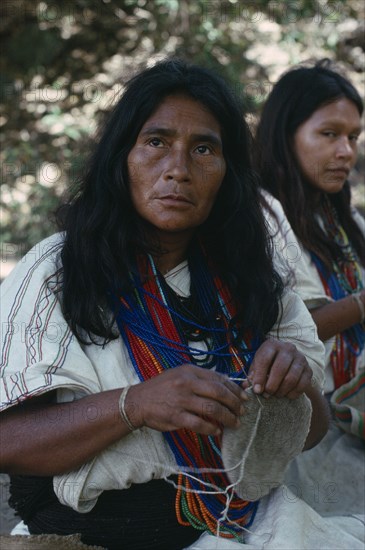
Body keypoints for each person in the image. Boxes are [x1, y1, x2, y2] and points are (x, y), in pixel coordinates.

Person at [0, 58, 358, 550]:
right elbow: (8, 442)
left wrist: (296, 387)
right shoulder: (58, 270)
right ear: (121, 157)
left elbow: (311, 431)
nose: (178, 170)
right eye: (156, 142)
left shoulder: (254, 277)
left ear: (228, 170)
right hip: (94, 536)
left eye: (204, 149)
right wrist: (136, 404)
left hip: (249, 522)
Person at [255, 59, 365, 517]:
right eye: (329, 134)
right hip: (311, 430)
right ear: (286, 135)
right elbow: (283, 334)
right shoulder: (260, 217)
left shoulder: (345, 223)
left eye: (353, 137)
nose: (346, 151)